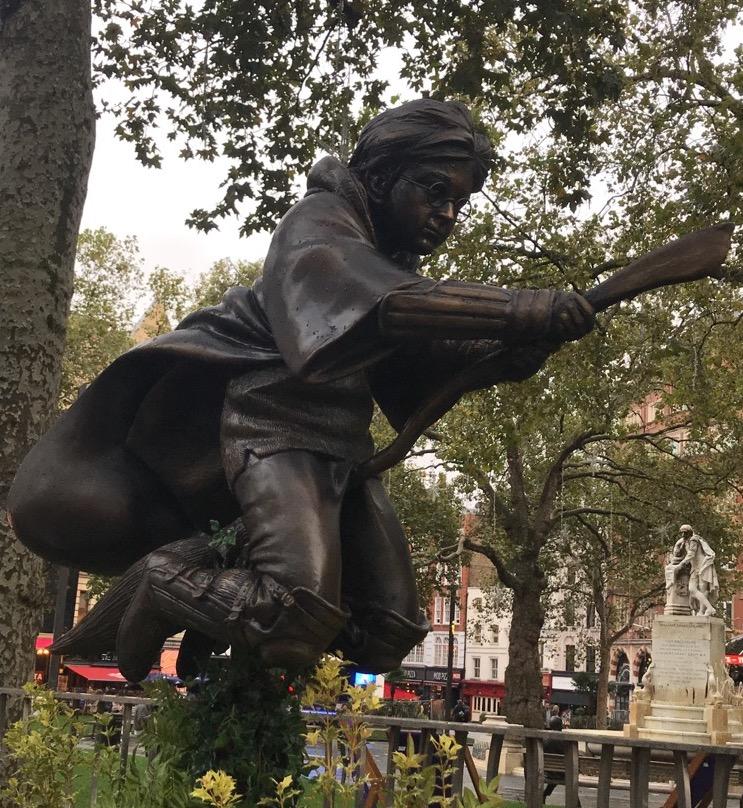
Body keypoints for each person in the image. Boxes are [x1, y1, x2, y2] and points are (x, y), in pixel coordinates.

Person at [9, 99, 594, 682]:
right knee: (292, 612)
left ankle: (239, 629)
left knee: (389, 629)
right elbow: (381, 303)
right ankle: (175, 584)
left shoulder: (394, 264)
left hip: (343, 446)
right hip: (273, 424)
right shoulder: (320, 224)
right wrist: (512, 308)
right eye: (434, 190)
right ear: (384, 176)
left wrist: (515, 351)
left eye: (458, 202)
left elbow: (421, 365)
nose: (446, 213)